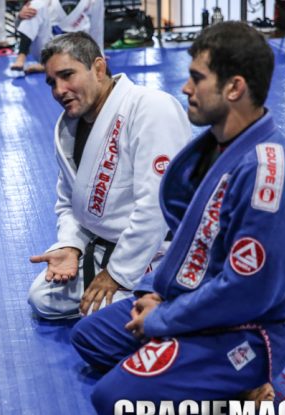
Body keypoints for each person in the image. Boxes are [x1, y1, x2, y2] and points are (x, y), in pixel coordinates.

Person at [70, 21, 285, 415]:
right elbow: (192, 243)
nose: (186, 88)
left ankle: (246, 381)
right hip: (192, 303)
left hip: (245, 329)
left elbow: (248, 293)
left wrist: (163, 319)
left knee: (114, 402)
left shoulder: (270, 177)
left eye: (197, 78)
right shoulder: (217, 148)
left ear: (234, 88)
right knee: (89, 336)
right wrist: (156, 294)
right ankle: (193, 362)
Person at [28, 32, 191, 320]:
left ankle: (170, 297)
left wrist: (116, 274)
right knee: (42, 298)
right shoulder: (69, 128)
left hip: (156, 250)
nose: (59, 90)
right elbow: (69, 203)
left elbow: (155, 207)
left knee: (97, 317)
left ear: (99, 68)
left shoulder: (150, 108)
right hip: (104, 247)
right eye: (52, 82)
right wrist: (71, 245)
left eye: (67, 75)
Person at [10, 0, 103, 73]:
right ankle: (21, 56)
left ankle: (49, 66)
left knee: (83, 52)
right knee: (36, 5)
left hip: (76, 48)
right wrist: (20, 17)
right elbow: (22, 26)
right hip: (48, 47)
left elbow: (97, 27)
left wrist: (98, 54)